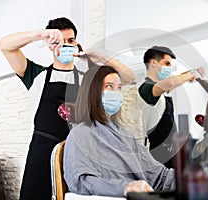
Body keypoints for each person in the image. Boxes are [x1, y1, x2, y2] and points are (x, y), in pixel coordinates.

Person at [0, 17, 134, 200]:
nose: (66, 45)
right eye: (60, 41)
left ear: (76, 43)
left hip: (77, 156)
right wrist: (40, 35)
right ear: (51, 45)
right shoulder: (36, 75)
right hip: (41, 157)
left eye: (70, 41)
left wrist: (101, 58)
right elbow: (5, 45)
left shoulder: (88, 79)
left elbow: (128, 77)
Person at [63, 66, 175, 197]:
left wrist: (184, 177)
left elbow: (157, 175)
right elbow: (82, 181)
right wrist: (125, 188)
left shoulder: (125, 135)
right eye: (109, 86)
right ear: (92, 92)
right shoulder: (80, 134)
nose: (116, 93)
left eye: (119, 87)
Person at [138, 46, 202, 168]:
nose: (168, 69)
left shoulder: (161, 94)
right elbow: (170, 83)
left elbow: (171, 84)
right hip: (156, 159)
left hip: (170, 155)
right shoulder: (146, 88)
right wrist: (189, 75)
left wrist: (188, 75)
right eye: (166, 64)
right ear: (153, 63)